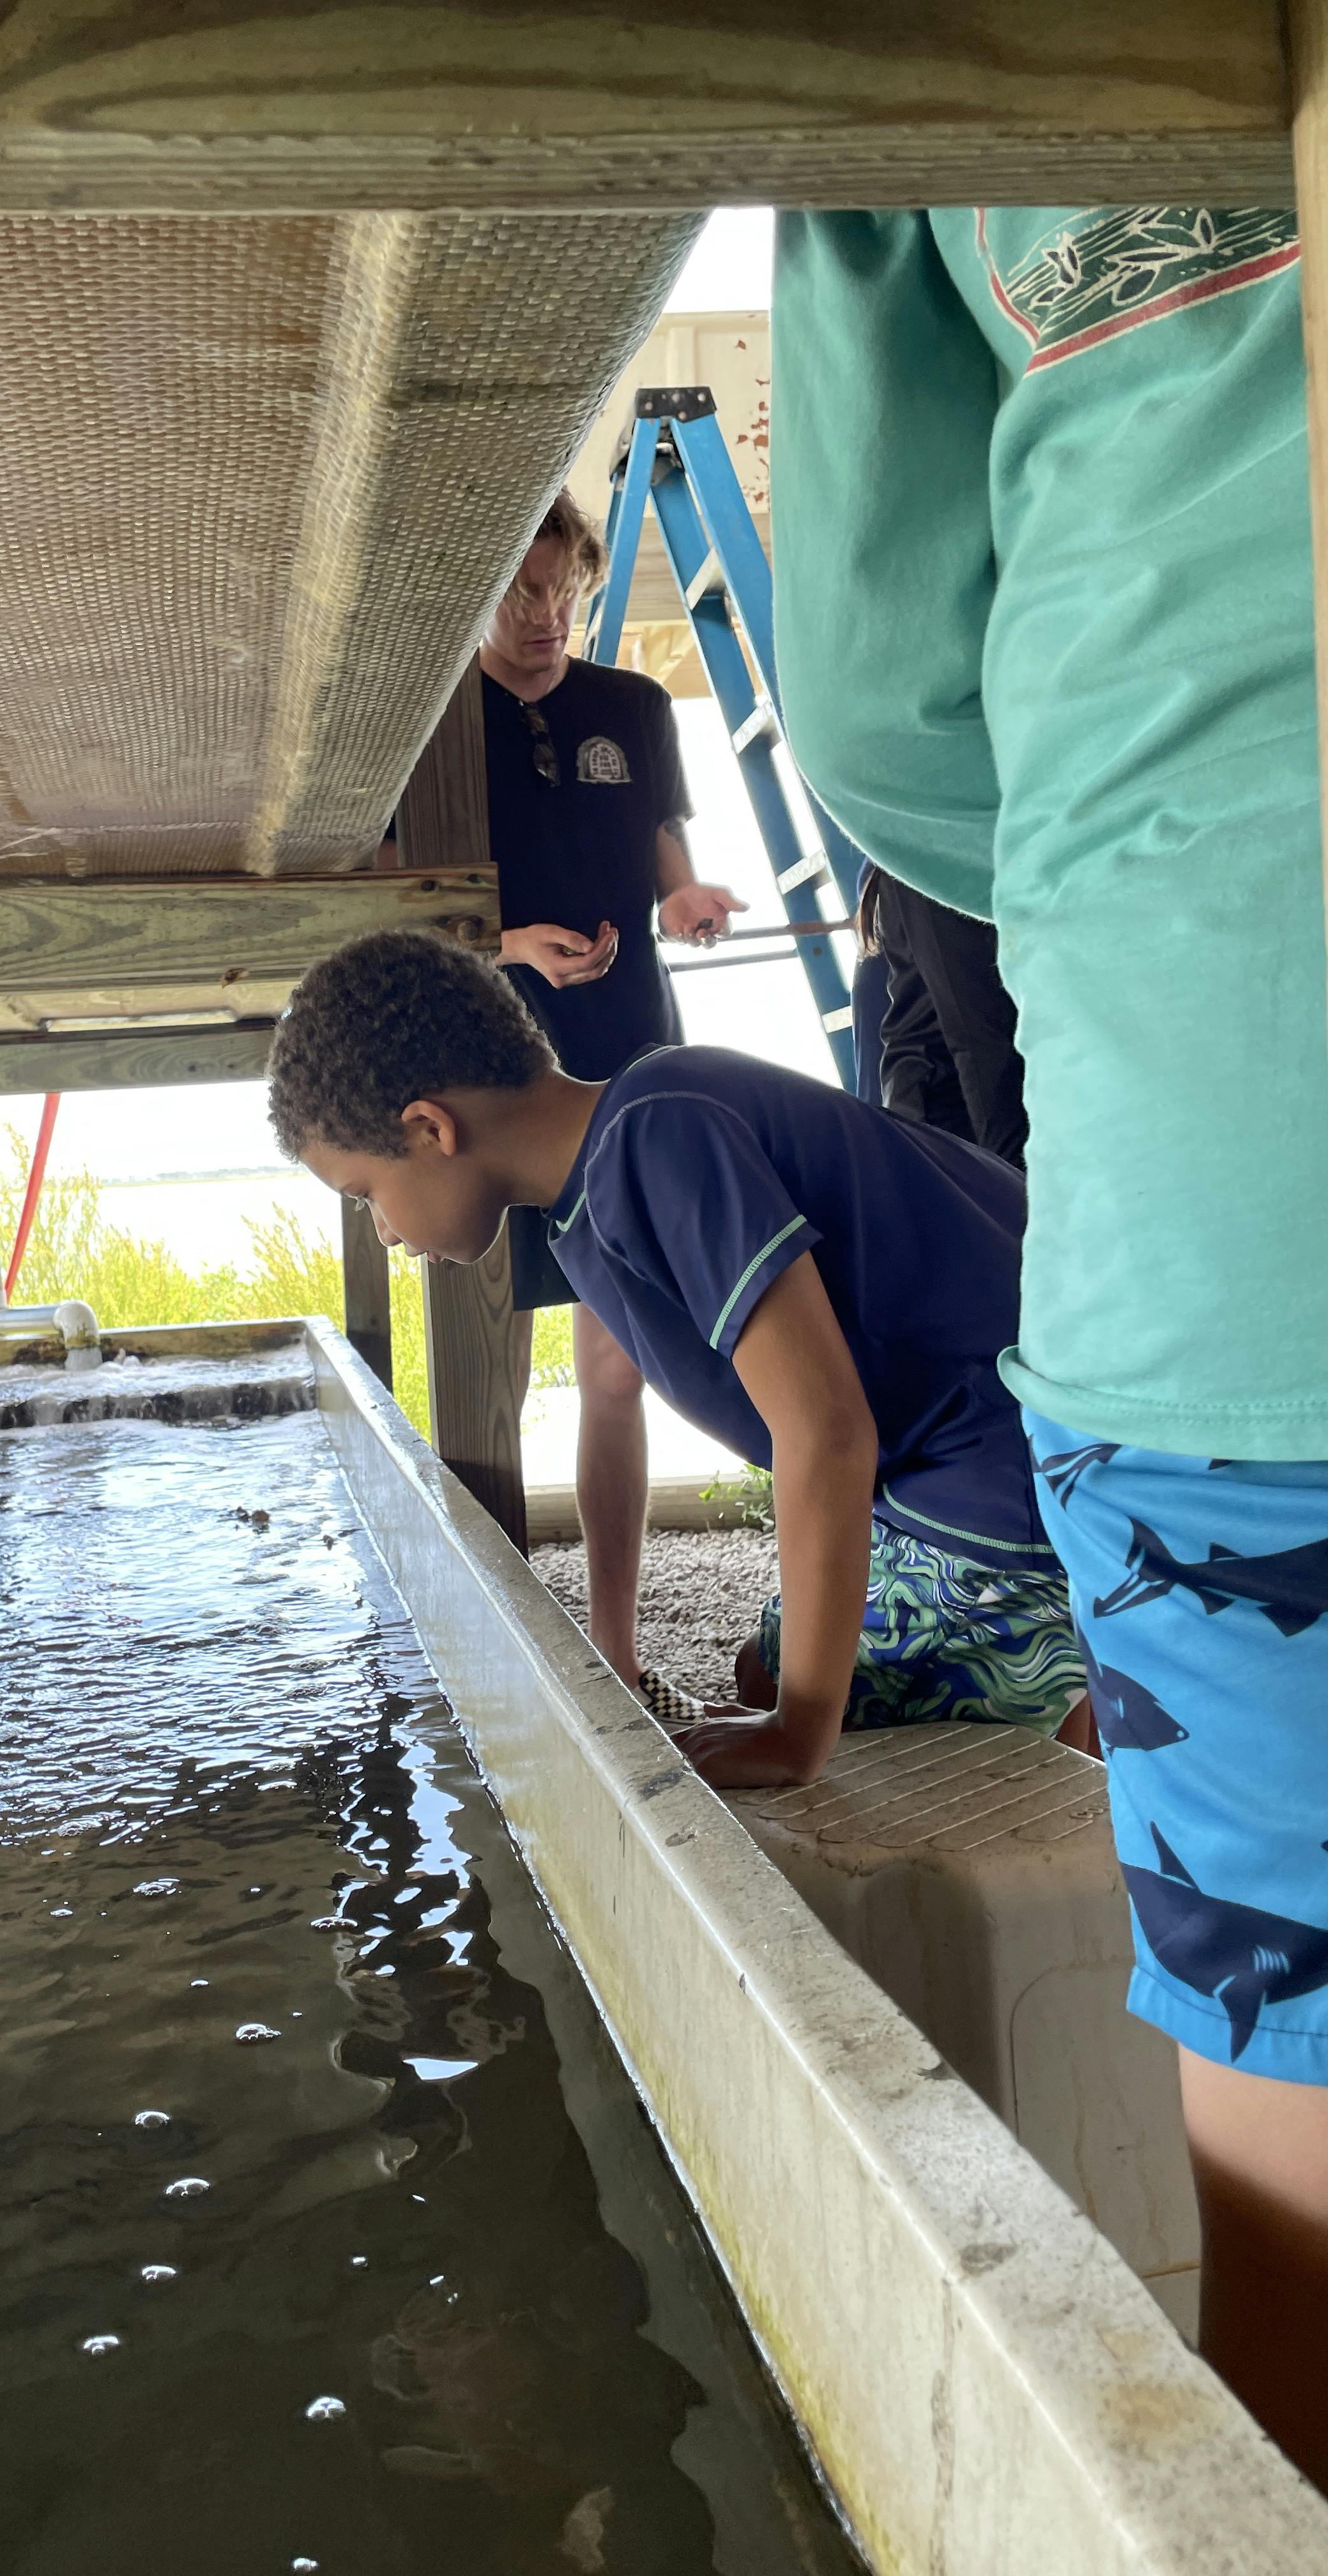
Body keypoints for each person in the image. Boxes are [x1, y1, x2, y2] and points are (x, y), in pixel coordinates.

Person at [770, 205, 1328, 2481]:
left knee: (1283, 2167)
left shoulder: (664, 1173)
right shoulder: (667, 1151)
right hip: (1143, 1284)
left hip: (1219, 1230)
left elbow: (893, 713)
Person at [268, 928, 1086, 1790]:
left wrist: (801, 1734)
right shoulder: (600, 1174)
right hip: (962, 1452)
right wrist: (619, 1653)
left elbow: (828, 1433)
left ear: (430, 1128)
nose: (386, 1232)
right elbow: (617, 1387)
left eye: (366, 1197)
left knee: (825, 1713)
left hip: (1032, 1473)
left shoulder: (656, 1136)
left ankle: (1102, 1699)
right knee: (766, 1670)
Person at [383, 489, 744, 1704]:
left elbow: (664, 852)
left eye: (557, 590)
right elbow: (400, 902)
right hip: (483, 1070)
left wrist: (685, 903)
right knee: (484, 1363)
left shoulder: (632, 708)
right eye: (514, 591)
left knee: (613, 1365)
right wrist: (504, 948)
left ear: (583, 582)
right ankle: (485, 1639)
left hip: (628, 1062)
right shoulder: (432, 719)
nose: (539, 617)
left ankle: (614, 1642)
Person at [859, 865, 1027, 1165]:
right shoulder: (925, 865)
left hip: (963, 1109)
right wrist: (1018, 1175)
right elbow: (978, 1040)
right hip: (954, 1120)